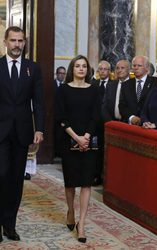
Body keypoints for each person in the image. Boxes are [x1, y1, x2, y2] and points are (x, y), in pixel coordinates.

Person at [0, 26, 44, 242]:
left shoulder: (32, 68)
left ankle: (9, 225)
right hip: (0, 131)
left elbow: (39, 102)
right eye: (13, 40)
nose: (17, 45)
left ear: (24, 43)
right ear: (5, 42)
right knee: (1, 176)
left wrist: (39, 128)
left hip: (22, 132)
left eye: (20, 41)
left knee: (16, 180)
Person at [56, 55, 100, 243]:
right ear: (72, 69)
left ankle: (81, 223)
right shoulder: (63, 90)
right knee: (71, 182)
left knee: (86, 182)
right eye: (77, 66)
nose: (81, 69)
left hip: (89, 141)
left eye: (84, 66)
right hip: (69, 138)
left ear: (88, 70)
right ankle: (71, 211)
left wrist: (86, 138)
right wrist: (76, 138)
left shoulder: (94, 90)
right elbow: (61, 116)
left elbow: (96, 115)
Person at [119, 55, 157, 125]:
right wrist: (132, 117)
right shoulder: (126, 84)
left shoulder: (155, 83)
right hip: (130, 124)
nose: (136, 68)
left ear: (147, 68)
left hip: (149, 124)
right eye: (134, 66)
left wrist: (143, 120)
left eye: (139, 65)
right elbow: (122, 105)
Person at [53, 66, 66, 159]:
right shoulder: (51, 84)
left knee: (61, 135)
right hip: (52, 114)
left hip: (62, 115)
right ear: (56, 74)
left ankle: (60, 153)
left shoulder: (66, 86)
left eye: (63, 73)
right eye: (60, 73)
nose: (61, 75)